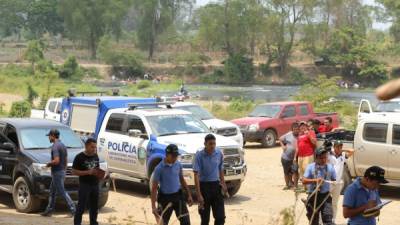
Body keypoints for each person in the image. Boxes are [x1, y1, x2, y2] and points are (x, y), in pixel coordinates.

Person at [151, 144, 193, 225]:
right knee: (162, 222)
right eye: (173, 156)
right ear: (167, 155)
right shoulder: (159, 169)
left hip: (178, 196)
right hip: (165, 199)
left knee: (186, 221)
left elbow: (182, 180)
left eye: (176, 156)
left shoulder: (178, 165)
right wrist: (153, 207)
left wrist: (189, 194)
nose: (175, 158)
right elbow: (154, 188)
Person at [41, 129, 76, 217]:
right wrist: (63, 171)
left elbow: (56, 161)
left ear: (53, 136)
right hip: (61, 171)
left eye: (49, 136)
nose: (48, 138)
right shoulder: (63, 145)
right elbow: (66, 160)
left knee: (62, 192)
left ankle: (73, 210)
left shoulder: (55, 146)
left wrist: (48, 164)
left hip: (57, 172)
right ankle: (49, 210)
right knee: (52, 192)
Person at [193, 134, 227, 225]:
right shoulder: (199, 156)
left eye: (214, 144)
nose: (212, 146)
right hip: (204, 187)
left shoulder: (218, 153)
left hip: (216, 186)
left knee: (220, 217)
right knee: (205, 219)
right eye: (210, 144)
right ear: (205, 144)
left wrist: (223, 184)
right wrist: (199, 194)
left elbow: (220, 169)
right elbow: (196, 175)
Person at [303, 147, 337, 225]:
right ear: (316, 158)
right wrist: (315, 181)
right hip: (313, 196)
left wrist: (333, 182)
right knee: (313, 221)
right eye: (321, 158)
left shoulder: (330, 167)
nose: (323, 160)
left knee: (328, 220)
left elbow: (334, 179)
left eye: (325, 157)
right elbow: (304, 181)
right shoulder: (310, 167)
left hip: (325, 196)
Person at [73, 138, 101, 225]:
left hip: (95, 184)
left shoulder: (96, 156)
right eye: (92, 147)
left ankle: (93, 223)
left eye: (95, 147)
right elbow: (74, 171)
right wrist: (87, 172)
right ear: (86, 146)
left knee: (94, 207)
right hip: (84, 185)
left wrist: (102, 175)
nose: (94, 149)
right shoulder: (79, 157)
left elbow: (97, 169)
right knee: (81, 206)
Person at [328, 140, 354, 222]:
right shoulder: (329, 155)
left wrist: (342, 150)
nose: (339, 148)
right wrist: (333, 150)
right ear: (334, 147)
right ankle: (322, 221)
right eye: (337, 146)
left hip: (338, 183)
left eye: (340, 146)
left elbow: (352, 151)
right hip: (329, 182)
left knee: (334, 203)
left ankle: (333, 220)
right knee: (324, 202)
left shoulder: (343, 156)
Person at [279, 123, 300, 190]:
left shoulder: (301, 136)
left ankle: (295, 186)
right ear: (292, 130)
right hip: (286, 157)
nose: (296, 131)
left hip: (295, 158)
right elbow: (280, 139)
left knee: (295, 171)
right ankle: (287, 185)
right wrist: (282, 145)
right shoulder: (288, 134)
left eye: (297, 129)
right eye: (294, 129)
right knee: (286, 172)